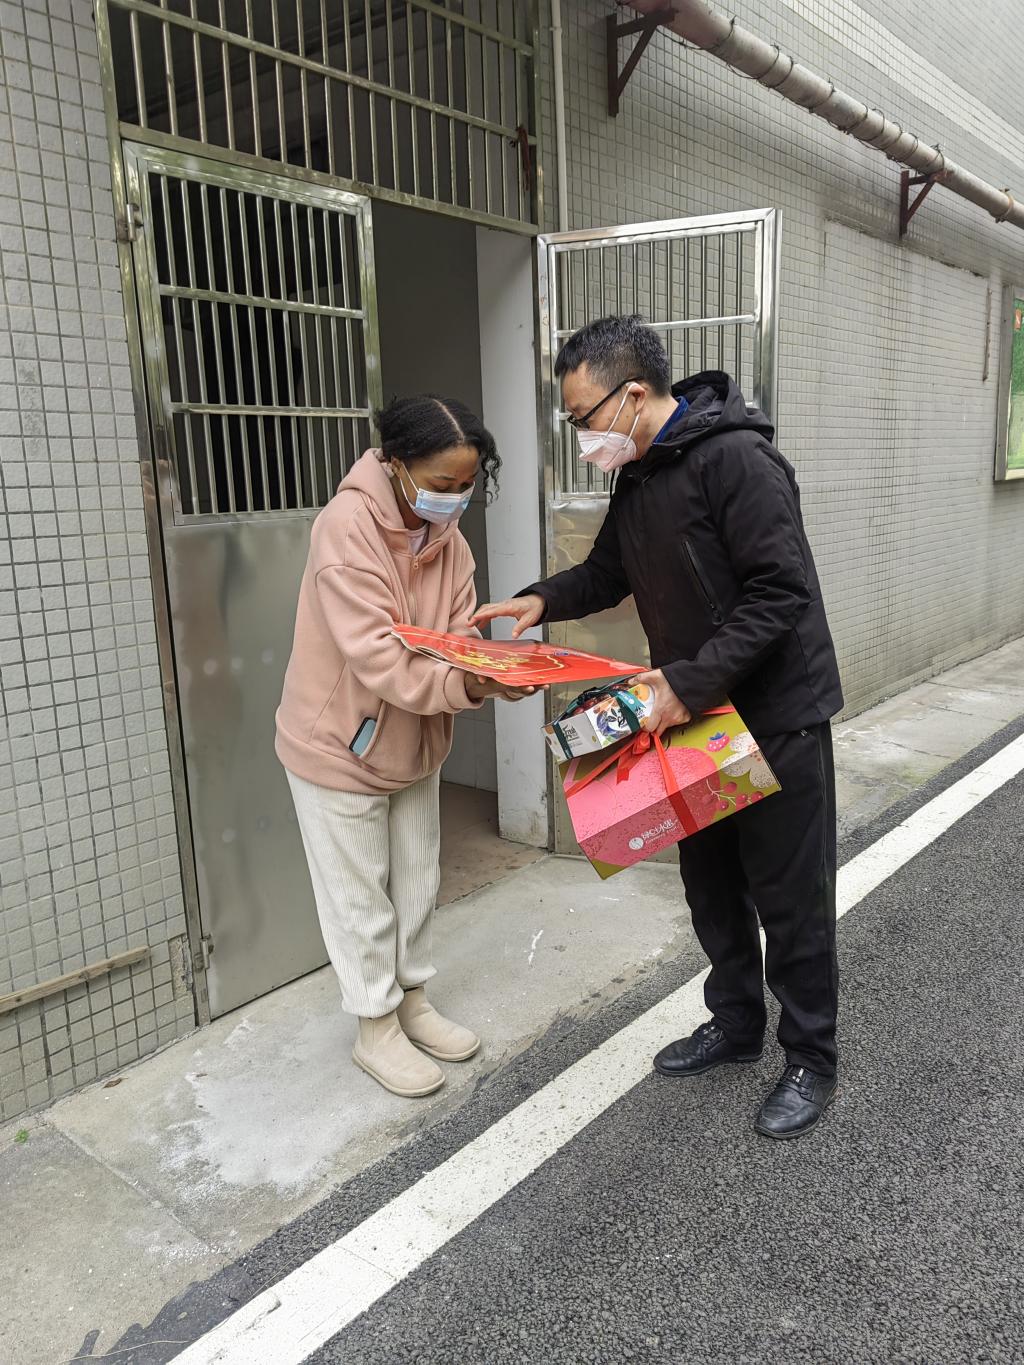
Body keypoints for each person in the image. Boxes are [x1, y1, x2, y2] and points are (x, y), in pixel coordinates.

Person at [474, 315, 844, 1140]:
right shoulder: (640, 475)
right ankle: (737, 1021)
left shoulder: (738, 460)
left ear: (634, 394)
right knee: (710, 884)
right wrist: (539, 600)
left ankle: (811, 1056)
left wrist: (687, 680)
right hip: (694, 714)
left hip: (775, 715)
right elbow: (608, 571)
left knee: (790, 899)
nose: (582, 438)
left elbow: (781, 593)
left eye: (584, 417)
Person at [276, 395, 532, 1099]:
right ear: (394, 465)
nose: (455, 500)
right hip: (339, 743)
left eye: (467, 486)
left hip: (416, 739)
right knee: (359, 895)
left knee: (417, 879)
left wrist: (487, 667)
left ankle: (412, 1000)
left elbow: (458, 632)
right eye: (443, 484)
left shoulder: (448, 539)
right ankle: (375, 1025)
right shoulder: (344, 529)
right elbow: (378, 657)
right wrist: (468, 685)